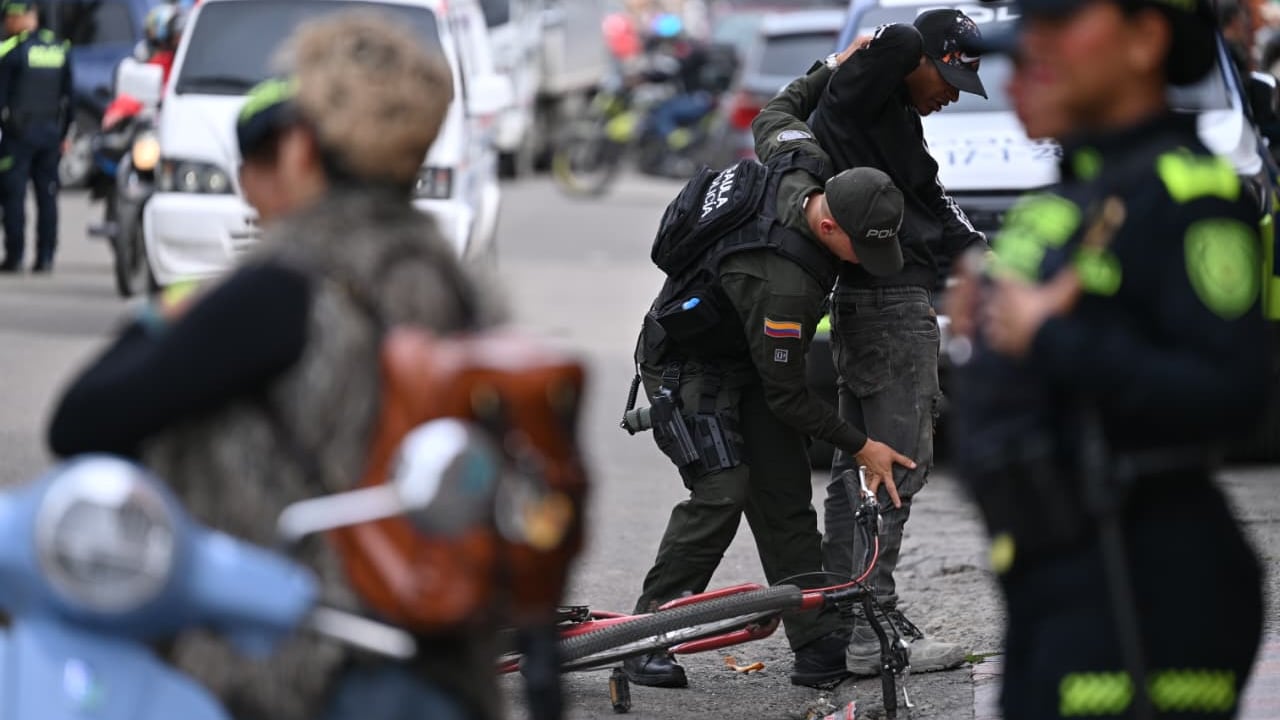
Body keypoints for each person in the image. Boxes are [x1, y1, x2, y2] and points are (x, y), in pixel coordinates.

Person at [46, 11, 500, 720]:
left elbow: (84, 419)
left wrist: (168, 312)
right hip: (438, 664)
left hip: (291, 668)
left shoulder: (281, 290)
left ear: (301, 150)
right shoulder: (455, 287)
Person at [947, 1, 1266, 717]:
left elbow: (1233, 390)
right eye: (1023, 43)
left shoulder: (1188, 192)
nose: (1027, 61)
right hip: (1049, 577)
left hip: (1144, 584)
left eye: (1055, 30)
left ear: (1145, 37)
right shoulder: (1074, 191)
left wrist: (1051, 339)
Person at [621, 70, 915, 690]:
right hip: (688, 362)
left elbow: (777, 112)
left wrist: (836, 65)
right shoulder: (783, 282)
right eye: (863, 249)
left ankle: (815, 646)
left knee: (783, 493)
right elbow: (787, 394)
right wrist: (863, 447)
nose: (866, 264)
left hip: (749, 357)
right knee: (725, 489)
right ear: (831, 226)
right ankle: (645, 638)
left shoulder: (800, 161)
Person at [779, 8, 990, 677]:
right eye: (949, 76)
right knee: (892, 467)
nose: (952, 96)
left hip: (879, 307)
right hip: (888, 308)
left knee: (860, 473)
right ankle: (874, 631)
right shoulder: (862, 95)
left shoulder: (893, 126)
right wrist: (885, 46)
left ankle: (851, 618)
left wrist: (983, 261)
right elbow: (899, 39)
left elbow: (933, 200)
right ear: (916, 58)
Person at [0, 0, 72, 273]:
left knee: (14, 197)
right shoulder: (59, 48)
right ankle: (45, 257)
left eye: (9, 17)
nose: (6, 23)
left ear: (23, 16)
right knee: (48, 196)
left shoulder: (12, 50)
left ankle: (15, 256)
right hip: (51, 133)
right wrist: (65, 132)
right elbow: (70, 98)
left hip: (18, 135)